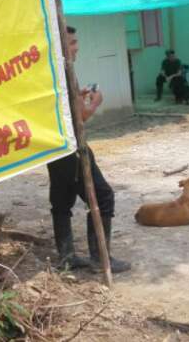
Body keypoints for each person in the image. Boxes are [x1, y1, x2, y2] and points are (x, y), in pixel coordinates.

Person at [47, 26, 131, 273]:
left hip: (54, 147)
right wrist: (93, 103)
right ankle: (99, 258)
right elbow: (79, 117)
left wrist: (78, 96)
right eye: (72, 42)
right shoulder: (64, 73)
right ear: (61, 45)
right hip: (72, 147)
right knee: (104, 196)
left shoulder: (50, 71)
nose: (77, 47)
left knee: (61, 201)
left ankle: (67, 256)